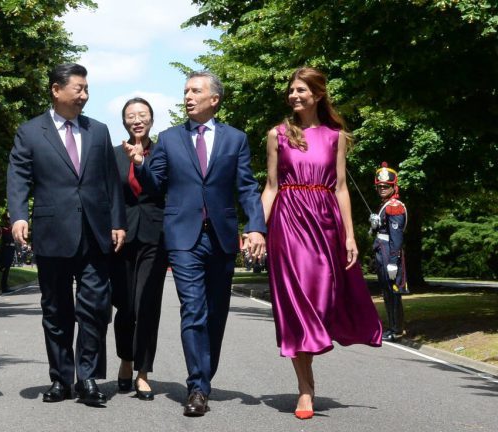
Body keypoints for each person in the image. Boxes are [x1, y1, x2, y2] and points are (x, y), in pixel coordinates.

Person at [124, 71, 267, 416]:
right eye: (185, 91)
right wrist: (141, 164)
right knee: (193, 309)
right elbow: (155, 184)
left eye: (195, 91)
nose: (187, 96)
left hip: (221, 236)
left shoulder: (236, 139)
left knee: (216, 313)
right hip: (183, 237)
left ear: (214, 99)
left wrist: (257, 227)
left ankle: (206, 375)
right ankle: (197, 386)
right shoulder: (170, 138)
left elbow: (246, 187)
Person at [260, 67, 382, 420]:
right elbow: (271, 187)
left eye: (301, 90)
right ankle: (305, 389)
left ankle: (311, 365)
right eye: (291, 90)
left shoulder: (336, 136)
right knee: (297, 302)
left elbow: (341, 187)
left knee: (322, 298)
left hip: (326, 223)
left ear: (318, 94)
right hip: (288, 222)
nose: (294, 96)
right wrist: (256, 228)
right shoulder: (277, 135)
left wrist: (349, 234)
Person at [7, 63, 126, 406]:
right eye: (78, 88)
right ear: (56, 90)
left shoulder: (99, 131)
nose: (84, 95)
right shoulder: (30, 132)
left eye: (87, 89)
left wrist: (117, 222)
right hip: (52, 233)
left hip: (94, 233)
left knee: (94, 309)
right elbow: (18, 179)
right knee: (56, 311)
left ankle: (88, 379)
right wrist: (18, 216)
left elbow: (111, 182)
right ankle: (61, 379)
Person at [111, 98, 169, 401]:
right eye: (131, 116)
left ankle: (144, 372)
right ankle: (126, 359)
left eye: (142, 115)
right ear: (123, 122)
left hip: (155, 236)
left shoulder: (163, 151)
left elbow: (163, 188)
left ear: (151, 119)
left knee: (147, 304)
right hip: (120, 238)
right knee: (126, 306)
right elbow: (108, 195)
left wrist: (141, 162)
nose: (137, 120)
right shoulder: (112, 155)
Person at [371, 162, 408, 341]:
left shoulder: (395, 206)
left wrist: (394, 261)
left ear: (394, 187)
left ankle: (397, 330)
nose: (382, 189)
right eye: (380, 186)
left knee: (393, 292)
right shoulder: (385, 205)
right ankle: (393, 327)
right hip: (382, 251)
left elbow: (396, 238)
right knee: (386, 291)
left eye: (386, 186)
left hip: (389, 253)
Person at [0, 212, 15, 293]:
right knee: (5, 268)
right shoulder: (3, 229)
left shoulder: (11, 228)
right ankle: (4, 287)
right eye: (8, 219)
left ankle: (5, 285)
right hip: (6, 249)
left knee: (7, 268)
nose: (9, 221)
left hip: (10, 249)